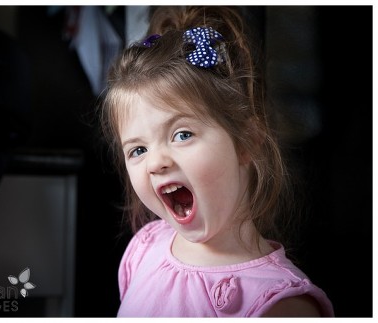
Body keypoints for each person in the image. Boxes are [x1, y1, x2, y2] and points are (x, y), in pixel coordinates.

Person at [99, 6, 334, 317]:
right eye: (138, 150)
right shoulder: (143, 250)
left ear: (247, 141)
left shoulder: (281, 304)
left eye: (182, 134)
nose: (155, 162)